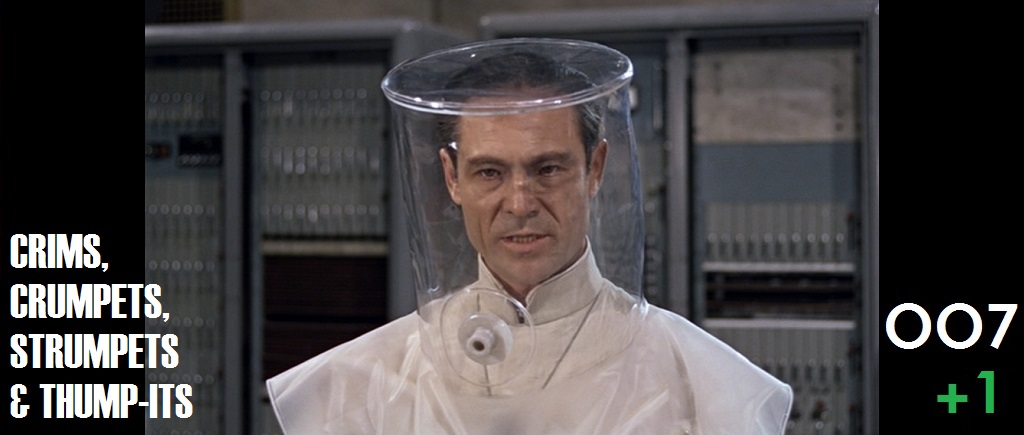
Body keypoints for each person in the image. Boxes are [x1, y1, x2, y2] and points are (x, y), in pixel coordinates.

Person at [266, 38, 793, 434]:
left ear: (595, 168)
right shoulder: (361, 384)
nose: (520, 204)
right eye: (489, 172)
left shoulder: (702, 383)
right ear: (452, 178)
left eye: (548, 169)